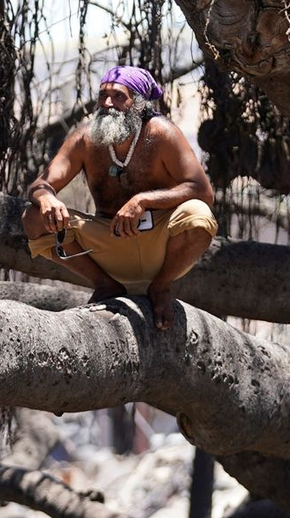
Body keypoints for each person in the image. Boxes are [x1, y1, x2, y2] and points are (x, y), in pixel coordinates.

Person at [22, 65, 217, 330]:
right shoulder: (85, 139)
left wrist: (143, 201)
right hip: (107, 245)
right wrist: (47, 198)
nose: (108, 103)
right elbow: (42, 183)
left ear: (138, 103)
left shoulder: (161, 133)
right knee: (33, 217)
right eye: (103, 95)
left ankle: (160, 287)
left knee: (199, 215)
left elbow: (202, 191)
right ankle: (105, 284)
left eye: (118, 96)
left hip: (159, 247)